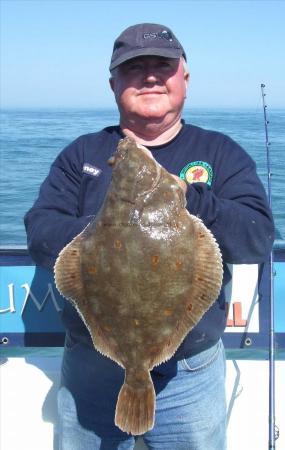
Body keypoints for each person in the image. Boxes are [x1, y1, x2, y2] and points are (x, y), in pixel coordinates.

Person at [24, 23, 274, 450]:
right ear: (113, 84)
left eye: (163, 65)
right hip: (91, 366)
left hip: (191, 370)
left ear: (185, 80)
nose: (151, 76)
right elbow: (40, 232)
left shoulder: (222, 152)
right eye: (134, 67)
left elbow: (257, 238)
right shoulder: (80, 154)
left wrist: (190, 200)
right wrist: (108, 225)